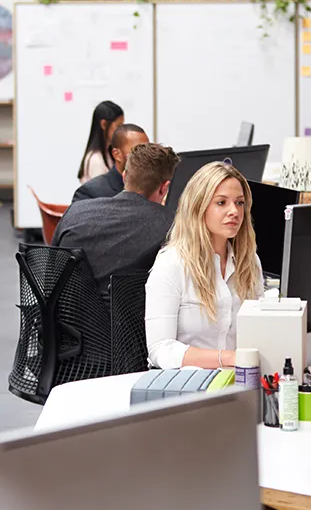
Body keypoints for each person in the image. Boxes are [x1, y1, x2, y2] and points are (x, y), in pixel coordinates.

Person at [145, 161, 264, 370]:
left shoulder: (249, 261)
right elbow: (160, 350)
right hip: (189, 382)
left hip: (240, 378)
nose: (234, 211)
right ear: (198, 207)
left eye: (239, 203)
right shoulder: (172, 263)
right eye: (221, 203)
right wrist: (227, 358)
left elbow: (260, 332)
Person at [53, 143, 179, 298]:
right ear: (164, 188)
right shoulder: (170, 225)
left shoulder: (75, 211)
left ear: (124, 176)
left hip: (65, 311)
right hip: (128, 314)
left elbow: (51, 275)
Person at [72, 123, 149, 202]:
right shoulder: (90, 193)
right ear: (117, 154)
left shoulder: (152, 188)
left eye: (148, 149)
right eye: (138, 150)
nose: (146, 155)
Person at [78, 100, 124, 184]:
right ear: (104, 124)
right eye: (118, 126)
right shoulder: (96, 160)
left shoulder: (109, 154)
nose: (121, 131)